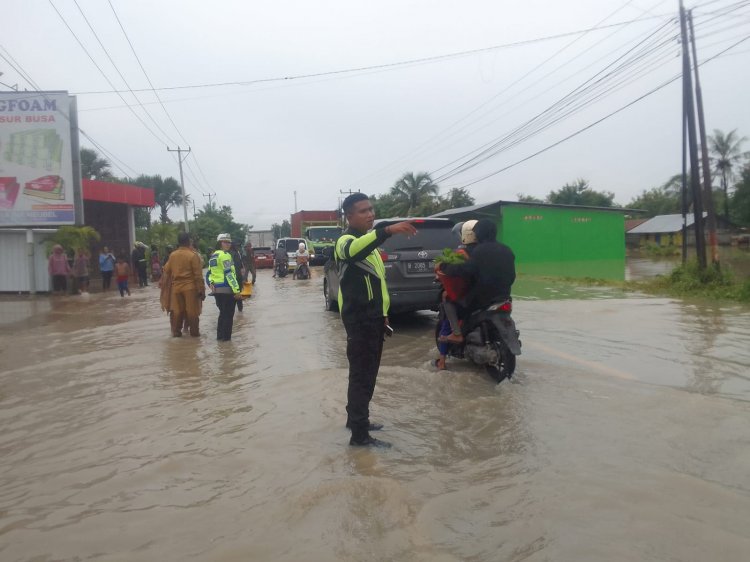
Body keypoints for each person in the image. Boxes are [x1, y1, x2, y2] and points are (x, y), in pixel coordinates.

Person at [335, 192, 417, 448]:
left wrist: (384, 315)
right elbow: (352, 251)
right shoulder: (345, 241)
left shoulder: (370, 244)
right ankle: (359, 437)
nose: (370, 214)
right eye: (363, 211)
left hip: (373, 319)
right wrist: (387, 230)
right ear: (349, 217)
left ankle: (356, 420)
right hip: (359, 320)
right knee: (362, 376)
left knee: (367, 374)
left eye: (371, 209)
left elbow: (377, 286)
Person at [437, 218, 516, 341]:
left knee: (448, 298)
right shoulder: (507, 250)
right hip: (504, 296)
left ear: (479, 234)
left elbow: (465, 270)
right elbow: (512, 276)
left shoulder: (479, 251)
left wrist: (444, 266)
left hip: (482, 299)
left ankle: (457, 334)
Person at [160, 231, 205, 337]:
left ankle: (176, 333)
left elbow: (166, 270)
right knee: (192, 312)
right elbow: (198, 276)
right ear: (188, 241)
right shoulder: (193, 255)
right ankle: (194, 334)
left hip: (176, 287)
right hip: (190, 287)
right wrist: (201, 290)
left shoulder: (173, 255)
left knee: (177, 311)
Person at [206, 233, 241, 341]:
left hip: (217, 291)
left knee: (222, 314)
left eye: (229, 242)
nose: (228, 244)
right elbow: (229, 274)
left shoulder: (213, 256)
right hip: (227, 290)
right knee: (228, 316)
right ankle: (226, 341)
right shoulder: (226, 255)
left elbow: (208, 274)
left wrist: (211, 284)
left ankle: (219, 338)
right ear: (220, 243)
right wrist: (237, 290)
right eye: (226, 242)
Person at [229, 241, 246, 312]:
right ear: (233, 246)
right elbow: (238, 268)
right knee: (237, 296)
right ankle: (239, 311)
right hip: (235, 278)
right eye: (236, 246)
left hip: (234, 278)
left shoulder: (236, 253)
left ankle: (239, 312)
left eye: (238, 246)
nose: (238, 247)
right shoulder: (233, 254)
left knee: (234, 296)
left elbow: (241, 267)